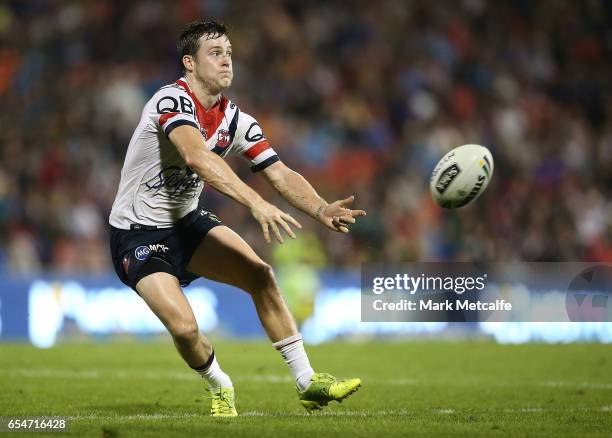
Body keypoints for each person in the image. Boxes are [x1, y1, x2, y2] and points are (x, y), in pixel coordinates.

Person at [108, 19, 365, 417]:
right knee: (185, 329)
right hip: (137, 234)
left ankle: (307, 381)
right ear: (189, 63)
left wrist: (319, 207)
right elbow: (197, 156)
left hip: (187, 224)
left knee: (261, 276)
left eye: (229, 53)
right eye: (215, 53)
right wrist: (255, 203)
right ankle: (219, 383)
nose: (226, 60)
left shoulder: (237, 122)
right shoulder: (169, 102)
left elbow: (278, 172)